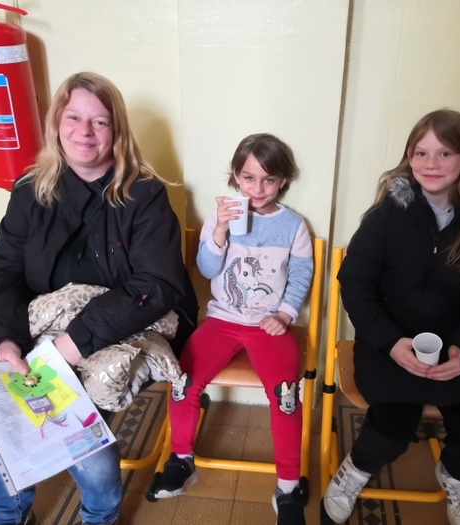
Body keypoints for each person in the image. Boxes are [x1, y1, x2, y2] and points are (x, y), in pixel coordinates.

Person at [0, 71, 198, 525]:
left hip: (123, 326)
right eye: (73, 117)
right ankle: (7, 517)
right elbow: (2, 273)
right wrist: (5, 344)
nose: (85, 131)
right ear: (57, 123)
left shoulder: (145, 194)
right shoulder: (30, 189)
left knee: (83, 441)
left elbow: (156, 284)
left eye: (100, 122)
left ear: (116, 131)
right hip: (44, 326)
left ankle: (99, 517)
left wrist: (70, 346)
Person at [322, 109, 460, 525]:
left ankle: (455, 475)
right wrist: (390, 342)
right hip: (388, 343)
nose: (431, 163)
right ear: (409, 157)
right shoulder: (388, 214)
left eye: (444, 153)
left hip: (454, 347)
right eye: (421, 153)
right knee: (391, 429)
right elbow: (354, 281)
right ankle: (354, 471)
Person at [147, 133, 314, 525]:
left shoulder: (293, 225)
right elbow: (207, 270)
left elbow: (301, 274)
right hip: (222, 320)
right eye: (249, 178)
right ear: (236, 177)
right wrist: (220, 230)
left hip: (269, 325)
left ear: (283, 181)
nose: (258, 188)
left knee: (286, 396)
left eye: (268, 179)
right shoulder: (220, 217)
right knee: (183, 379)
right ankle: (181, 458)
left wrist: (285, 315)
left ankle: (289, 486)